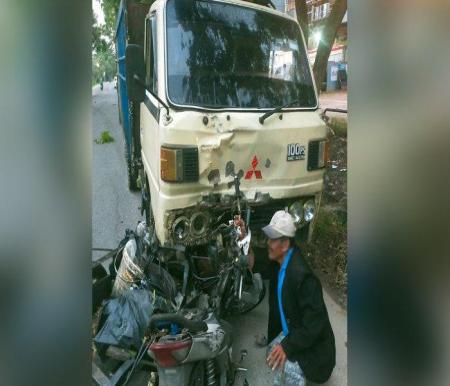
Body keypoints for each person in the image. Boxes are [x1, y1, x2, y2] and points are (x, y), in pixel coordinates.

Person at [262, 210, 335, 385]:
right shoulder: (281, 262)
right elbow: (257, 259)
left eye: (272, 239)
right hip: (296, 330)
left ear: (285, 244)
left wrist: (287, 347)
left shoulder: (304, 278)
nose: (267, 243)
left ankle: (300, 375)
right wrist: (243, 239)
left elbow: (314, 325)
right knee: (271, 353)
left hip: (317, 354)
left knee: (283, 364)